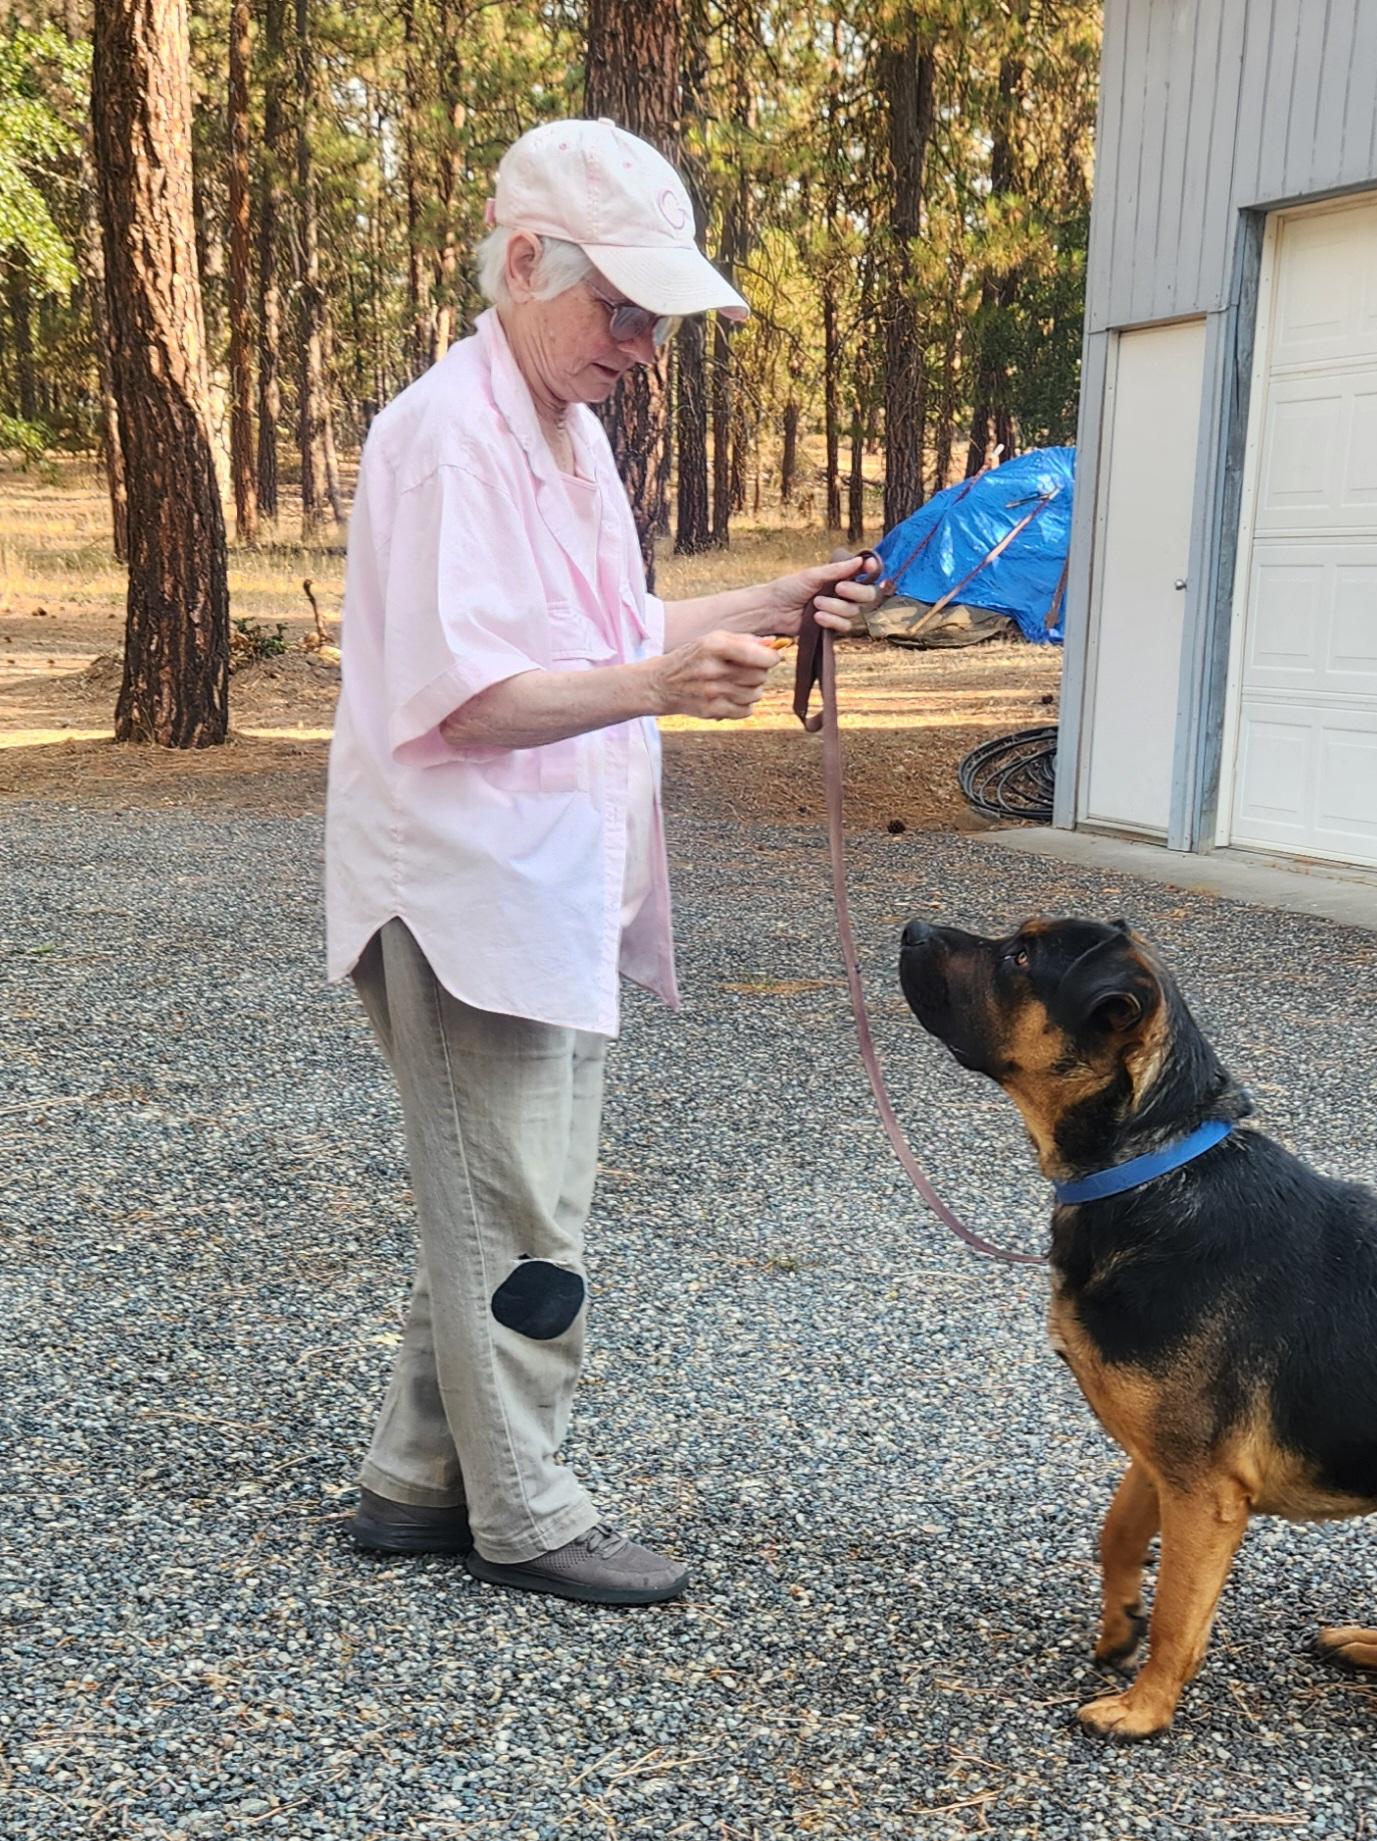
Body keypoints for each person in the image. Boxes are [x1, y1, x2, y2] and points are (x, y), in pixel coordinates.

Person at [324, 118, 877, 1606]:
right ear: (521, 263)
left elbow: (607, 630)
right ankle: (529, 1511)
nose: (642, 343)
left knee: (497, 1194)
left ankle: (413, 1481)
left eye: (654, 316)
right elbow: (466, 695)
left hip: (546, 889)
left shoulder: (558, 432)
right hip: (462, 893)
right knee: (523, 1219)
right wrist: (660, 689)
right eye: (621, 307)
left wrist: (774, 595)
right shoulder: (449, 437)